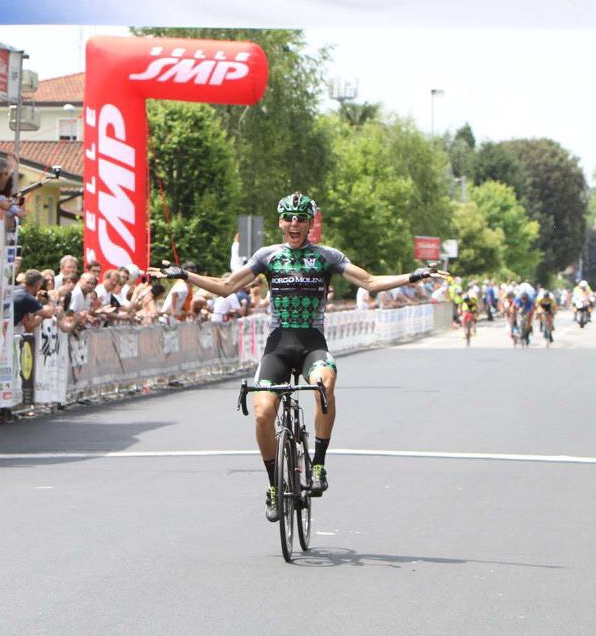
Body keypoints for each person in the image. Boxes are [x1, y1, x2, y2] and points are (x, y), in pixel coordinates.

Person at [152, 192, 439, 523]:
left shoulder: (326, 257)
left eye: (301, 219)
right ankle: (274, 484)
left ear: (309, 224)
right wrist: (185, 277)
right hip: (278, 345)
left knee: (325, 384)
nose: (294, 224)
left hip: (311, 344)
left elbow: (371, 282)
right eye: (288, 218)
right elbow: (227, 286)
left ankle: (318, 463)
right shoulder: (267, 257)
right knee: (262, 415)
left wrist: (412, 277)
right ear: (280, 222)